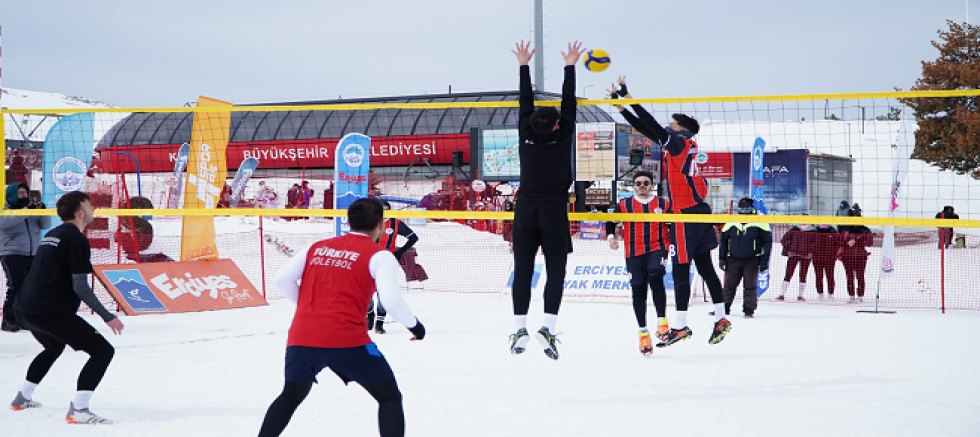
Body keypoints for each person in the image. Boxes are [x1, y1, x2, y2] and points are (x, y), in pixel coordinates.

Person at [258, 198, 426, 437]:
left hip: (302, 337)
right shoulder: (380, 255)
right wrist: (415, 326)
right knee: (389, 397)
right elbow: (391, 301)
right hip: (346, 340)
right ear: (381, 225)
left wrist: (310, 309)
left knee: (291, 395)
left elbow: (282, 279)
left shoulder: (317, 247)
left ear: (348, 222)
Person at [607, 77, 731, 347]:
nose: (669, 126)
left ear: (682, 130)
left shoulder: (678, 144)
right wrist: (623, 107)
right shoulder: (689, 146)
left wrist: (629, 102)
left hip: (684, 214)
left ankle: (680, 325)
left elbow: (650, 125)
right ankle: (721, 318)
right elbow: (648, 129)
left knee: (680, 269)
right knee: (706, 267)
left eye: (673, 124)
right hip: (700, 213)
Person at [9, 191, 124, 424]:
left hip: (23, 308)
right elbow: (80, 287)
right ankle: (79, 410)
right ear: (80, 213)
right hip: (48, 311)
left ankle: (22, 397)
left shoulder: (53, 234)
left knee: (53, 346)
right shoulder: (76, 239)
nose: (93, 208)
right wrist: (107, 316)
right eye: (89, 205)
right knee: (103, 351)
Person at [506, 40, 585, 360]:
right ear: (556, 125)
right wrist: (570, 65)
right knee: (556, 273)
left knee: (523, 271)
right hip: (553, 211)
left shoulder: (525, 132)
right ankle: (547, 328)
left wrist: (523, 66)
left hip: (525, 210)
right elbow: (569, 102)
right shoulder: (563, 136)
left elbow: (525, 101)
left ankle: (520, 329)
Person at [604, 171, 671, 356]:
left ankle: (662, 322)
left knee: (656, 276)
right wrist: (611, 237)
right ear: (633, 186)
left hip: (658, 247)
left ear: (652, 186)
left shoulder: (663, 204)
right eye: (639, 183)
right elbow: (610, 222)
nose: (642, 186)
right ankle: (643, 333)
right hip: (633, 251)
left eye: (646, 183)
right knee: (638, 291)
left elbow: (674, 224)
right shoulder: (624, 205)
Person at [1, 182, 52, 332]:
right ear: (12, 195)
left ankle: (23, 319)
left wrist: (42, 211)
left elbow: (45, 225)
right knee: (16, 287)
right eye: (20, 193)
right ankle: (9, 320)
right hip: (12, 254)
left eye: (25, 193)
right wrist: (27, 210)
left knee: (30, 288)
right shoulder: (5, 211)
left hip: (32, 253)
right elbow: (5, 224)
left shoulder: (29, 210)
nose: (24, 196)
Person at [369, 200, 421, 334]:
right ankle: (369, 315)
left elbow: (413, 238)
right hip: (368, 261)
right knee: (366, 292)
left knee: (383, 293)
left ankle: (379, 324)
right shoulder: (368, 222)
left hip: (387, 263)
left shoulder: (395, 223)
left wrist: (400, 252)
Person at [718, 198, 772, 319]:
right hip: (733, 259)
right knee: (729, 286)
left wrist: (764, 260)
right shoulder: (732, 221)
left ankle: (749, 310)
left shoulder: (760, 221)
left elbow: (767, 242)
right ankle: (723, 309)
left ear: (752, 208)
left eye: (746, 209)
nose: (744, 211)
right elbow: (723, 240)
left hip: (752, 260)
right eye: (741, 209)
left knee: (750, 286)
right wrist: (722, 258)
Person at [840, 211, 873, 303]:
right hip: (847, 256)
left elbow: (870, 242)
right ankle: (851, 296)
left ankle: (860, 296)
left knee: (860, 276)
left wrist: (856, 242)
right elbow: (839, 241)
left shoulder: (865, 230)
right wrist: (847, 242)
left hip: (860, 257)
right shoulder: (846, 230)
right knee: (849, 276)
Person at [776, 225, 815, 302]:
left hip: (806, 256)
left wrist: (807, 248)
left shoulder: (813, 231)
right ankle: (782, 294)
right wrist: (792, 246)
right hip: (793, 254)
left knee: (803, 275)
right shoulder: (793, 229)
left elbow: (816, 243)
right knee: (788, 274)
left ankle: (800, 295)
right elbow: (784, 240)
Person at [811, 224, 841, 299]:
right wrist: (814, 251)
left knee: (830, 276)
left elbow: (838, 244)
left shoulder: (833, 231)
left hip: (830, 259)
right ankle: (820, 293)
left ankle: (831, 293)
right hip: (817, 258)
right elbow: (810, 242)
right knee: (818, 276)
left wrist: (833, 253)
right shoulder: (815, 231)